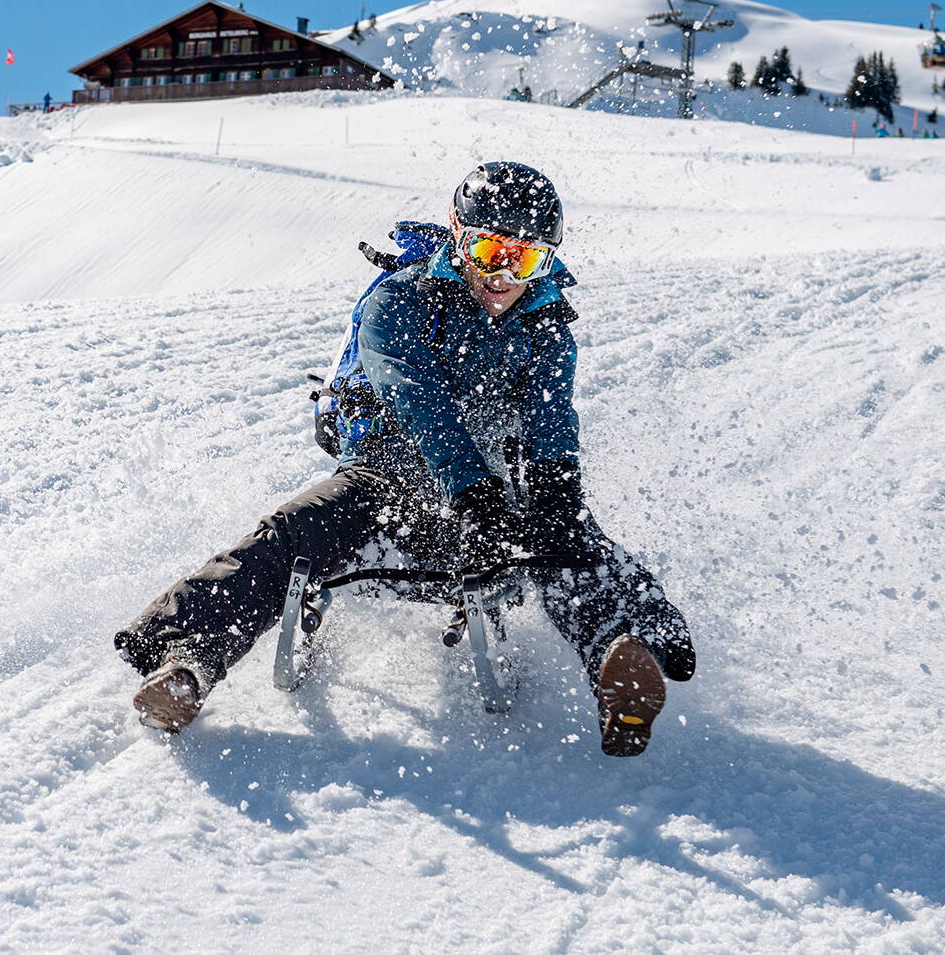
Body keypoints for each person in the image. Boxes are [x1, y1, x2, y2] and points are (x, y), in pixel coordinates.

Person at [115, 163, 696, 757]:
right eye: (490, 249)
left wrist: (555, 493)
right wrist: (474, 491)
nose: (502, 274)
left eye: (522, 259)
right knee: (292, 533)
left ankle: (623, 649)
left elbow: (550, 418)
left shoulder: (546, 328)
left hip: (496, 484)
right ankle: (187, 660)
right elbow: (417, 401)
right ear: (458, 233)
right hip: (386, 477)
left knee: (565, 537)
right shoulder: (401, 300)